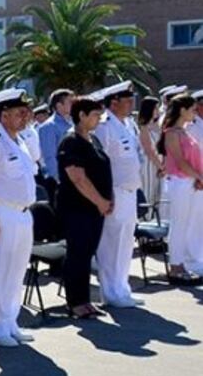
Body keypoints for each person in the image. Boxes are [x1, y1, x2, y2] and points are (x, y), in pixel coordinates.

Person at [0, 89, 36, 347]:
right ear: (4, 114)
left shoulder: (19, 140)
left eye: (26, 113)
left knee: (16, 270)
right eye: (20, 113)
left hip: (23, 213)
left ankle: (10, 320)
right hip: (1, 212)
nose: (26, 118)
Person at [58, 97, 114, 318]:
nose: (98, 119)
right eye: (94, 115)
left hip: (94, 208)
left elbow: (103, 169)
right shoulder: (71, 141)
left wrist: (109, 197)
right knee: (78, 253)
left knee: (87, 252)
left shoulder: (93, 140)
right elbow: (77, 177)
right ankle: (75, 302)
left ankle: (85, 300)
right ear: (81, 115)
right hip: (77, 207)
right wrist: (100, 201)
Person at [93, 81, 143, 308]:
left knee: (125, 243)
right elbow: (99, 163)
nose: (132, 104)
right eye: (128, 100)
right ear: (114, 102)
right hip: (114, 191)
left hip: (130, 191)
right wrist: (105, 195)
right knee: (111, 243)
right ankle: (111, 292)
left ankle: (122, 287)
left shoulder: (128, 123)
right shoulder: (104, 126)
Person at [159, 94, 203, 281]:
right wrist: (200, 176)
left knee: (189, 225)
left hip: (192, 182)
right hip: (181, 182)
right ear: (182, 110)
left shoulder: (185, 131)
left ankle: (184, 263)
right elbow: (180, 161)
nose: (195, 112)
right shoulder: (171, 133)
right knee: (179, 225)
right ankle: (176, 267)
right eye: (192, 109)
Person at [38, 89, 75, 182]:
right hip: (63, 180)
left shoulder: (73, 122)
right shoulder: (49, 127)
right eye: (70, 102)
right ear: (59, 106)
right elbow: (50, 157)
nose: (74, 104)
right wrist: (60, 179)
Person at [137, 97, 165, 213]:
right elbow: (149, 150)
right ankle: (146, 217)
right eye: (155, 108)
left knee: (157, 194)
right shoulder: (143, 127)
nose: (157, 111)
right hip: (149, 165)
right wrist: (161, 167)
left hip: (159, 164)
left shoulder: (157, 126)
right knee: (148, 192)